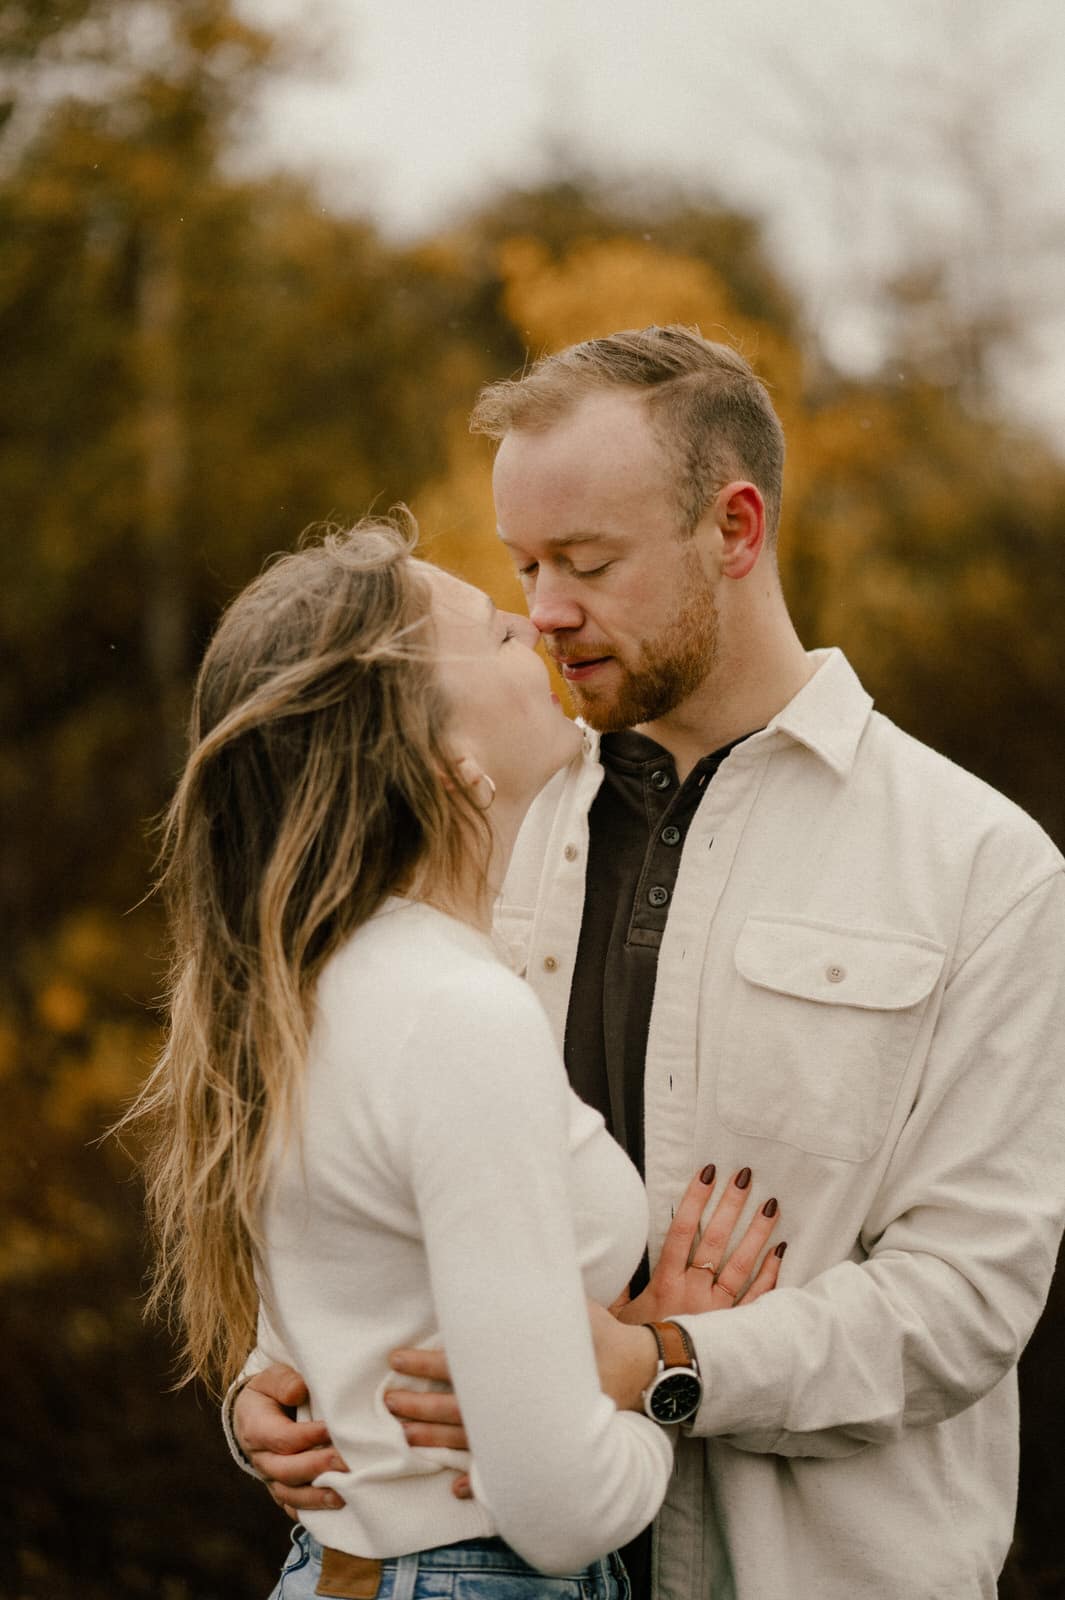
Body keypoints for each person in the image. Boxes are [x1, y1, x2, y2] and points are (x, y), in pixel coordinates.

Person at [233, 327, 1065, 1600]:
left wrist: (667, 1361)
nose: (544, 607)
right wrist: (278, 1373)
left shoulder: (980, 865)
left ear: (735, 529)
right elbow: (358, 1138)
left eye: (587, 561)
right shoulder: (479, 815)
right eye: (522, 563)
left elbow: (966, 1296)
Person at [122, 512, 787, 1600]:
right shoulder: (454, 1015)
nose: (534, 623)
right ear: (439, 749)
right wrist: (661, 1363)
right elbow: (560, 1506)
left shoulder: (315, 985)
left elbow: (368, 1311)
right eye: (491, 630)